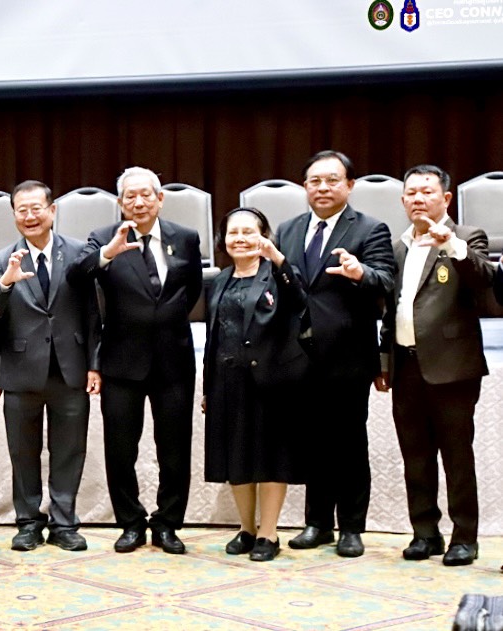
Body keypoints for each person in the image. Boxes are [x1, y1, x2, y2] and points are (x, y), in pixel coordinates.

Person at [67, 166, 202, 555]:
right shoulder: (104, 237)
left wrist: (163, 320)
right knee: (120, 449)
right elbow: (76, 277)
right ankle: (130, 522)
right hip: (121, 360)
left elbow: (192, 289)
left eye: (146, 195)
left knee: (174, 449)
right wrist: (107, 254)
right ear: (120, 202)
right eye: (131, 196)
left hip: (174, 359)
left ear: (160, 198)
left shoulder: (186, 238)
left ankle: (168, 523)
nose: (139, 202)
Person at [274, 150, 395, 557]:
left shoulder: (370, 228)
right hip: (298, 355)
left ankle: (352, 527)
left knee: (348, 444)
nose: (322, 188)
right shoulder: (288, 229)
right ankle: (318, 523)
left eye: (332, 180)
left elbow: (386, 281)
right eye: (315, 181)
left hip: (347, 355)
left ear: (349, 185)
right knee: (312, 442)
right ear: (304, 186)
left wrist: (361, 273)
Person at [377, 165, 493, 566]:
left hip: (452, 367)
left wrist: (452, 246)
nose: (418, 199)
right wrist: (384, 362)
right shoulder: (397, 246)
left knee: (457, 456)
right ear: (402, 200)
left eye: (427, 192)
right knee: (415, 455)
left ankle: (465, 537)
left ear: (445, 198)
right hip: (406, 365)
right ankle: (425, 532)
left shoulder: (467, 236)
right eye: (411, 193)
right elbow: (390, 311)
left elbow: (485, 279)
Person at [0, 180, 100, 552]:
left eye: (36, 208)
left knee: (69, 451)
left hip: (70, 368)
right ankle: (28, 522)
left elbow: (93, 313)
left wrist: (94, 364)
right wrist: (5, 284)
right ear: (13, 215)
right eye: (22, 210)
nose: (30, 216)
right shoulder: (1, 259)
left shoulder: (79, 253)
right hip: (19, 371)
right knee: (23, 454)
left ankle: (64, 524)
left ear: (52, 210)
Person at [202, 208, 309, 562]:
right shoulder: (219, 280)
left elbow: (301, 304)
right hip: (227, 381)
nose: (241, 239)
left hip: (271, 382)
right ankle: (247, 529)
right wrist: (207, 386)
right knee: (236, 457)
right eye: (233, 233)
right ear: (223, 240)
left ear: (264, 236)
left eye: (249, 232)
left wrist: (277, 259)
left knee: (271, 458)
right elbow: (214, 336)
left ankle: (269, 533)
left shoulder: (278, 274)